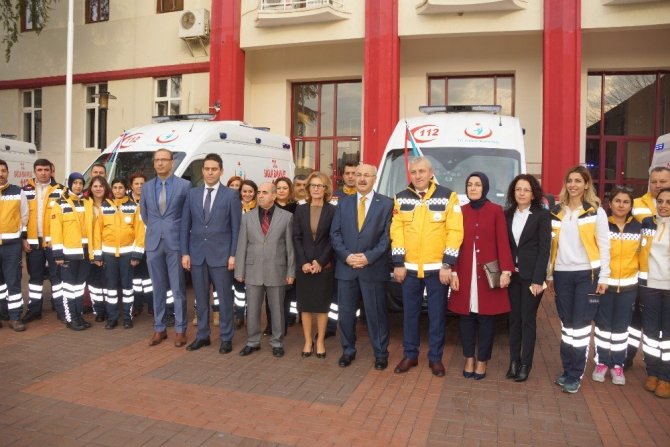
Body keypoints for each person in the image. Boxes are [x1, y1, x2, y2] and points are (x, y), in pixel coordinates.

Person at [390, 156, 463, 376]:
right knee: (410, 314)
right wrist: (398, 263)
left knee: (437, 315)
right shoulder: (400, 198)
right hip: (409, 269)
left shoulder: (448, 196)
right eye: (414, 172)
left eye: (422, 171)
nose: (418, 176)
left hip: (437, 269)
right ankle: (410, 355)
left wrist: (448, 264)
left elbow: (455, 232)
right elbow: (396, 232)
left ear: (431, 173)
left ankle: (435, 358)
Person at [547, 165, 610, 394]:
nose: (573, 185)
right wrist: (549, 274)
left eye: (578, 181)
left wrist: (604, 276)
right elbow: (550, 246)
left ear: (586, 185)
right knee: (567, 324)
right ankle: (567, 370)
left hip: (587, 275)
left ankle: (575, 374)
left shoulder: (596, 212)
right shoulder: (556, 212)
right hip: (562, 274)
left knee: (581, 326)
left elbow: (604, 245)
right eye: (570, 180)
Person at [449, 172, 514, 380]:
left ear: (485, 187)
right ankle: (469, 357)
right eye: (470, 184)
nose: (473, 188)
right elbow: (454, 244)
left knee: (486, 319)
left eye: (477, 184)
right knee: (466, 318)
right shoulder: (460, 211)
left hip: (487, 275)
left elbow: (502, 242)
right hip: (465, 273)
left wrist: (506, 271)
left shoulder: (496, 210)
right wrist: (453, 270)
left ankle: (483, 360)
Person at [331, 163, 393, 370]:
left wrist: (368, 257)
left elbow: (387, 237)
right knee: (346, 315)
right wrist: (347, 256)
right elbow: (335, 233)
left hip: (373, 269)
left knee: (376, 314)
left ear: (375, 178)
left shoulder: (386, 204)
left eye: (367, 175)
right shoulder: (343, 203)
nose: (362, 179)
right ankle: (347, 351)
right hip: (346, 268)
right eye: (359, 175)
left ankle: (381, 353)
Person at [181, 153, 241, 354]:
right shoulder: (192, 194)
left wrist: (233, 255)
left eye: (214, 169)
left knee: (224, 299)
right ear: (202, 170)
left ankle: (226, 338)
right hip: (197, 255)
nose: (210, 172)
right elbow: (185, 226)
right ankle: (203, 336)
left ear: (221, 171)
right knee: (200, 299)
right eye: (207, 169)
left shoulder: (231, 195)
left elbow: (236, 228)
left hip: (222, 256)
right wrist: (185, 253)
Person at [234, 182, 295, 358]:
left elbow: (290, 248)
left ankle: (277, 342)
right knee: (252, 309)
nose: (260, 195)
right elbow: (242, 245)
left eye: (265, 192)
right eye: (259, 192)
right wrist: (239, 270)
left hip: (277, 270)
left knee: (277, 309)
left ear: (274, 196)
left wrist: (291, 272)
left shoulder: (287, 217)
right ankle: (252, 341)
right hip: (253, 270)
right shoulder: (247, 217)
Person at [141, 148, 191, 347]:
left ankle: (180, 330)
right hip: (154, 243)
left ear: (172, 162)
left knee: (178, 288)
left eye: (164, 160)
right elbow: (145, 215)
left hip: (175, 243)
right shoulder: (146, 187)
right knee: (158, 288)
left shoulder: (184, 186)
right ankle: (159, 328)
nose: (160, 163)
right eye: (157, 160)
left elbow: (187, 217)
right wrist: (157, 229)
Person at [503, 174, 551, 382]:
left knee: (527, 320)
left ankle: (525, 364)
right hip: (512, 275)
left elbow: (544, 249)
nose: (521, 193)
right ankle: (514, 361)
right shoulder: (507, 214)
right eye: (518, 189)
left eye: (526, 190)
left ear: (533, 194)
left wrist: (538, 280)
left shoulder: (542, 215)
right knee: (514, 320)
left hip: (532, 278)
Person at [591, 185, 641, 386]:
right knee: (603, 326)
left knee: (621, 327)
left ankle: (618, 364)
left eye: (626, 202)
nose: (621, 205)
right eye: (617, 201)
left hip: (629, 287)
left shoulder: (639, 227)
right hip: (605, 286)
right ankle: (602, 362)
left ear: (631, 205)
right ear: (610, 204)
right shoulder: (601, 225)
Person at [626, 166, 670, 368]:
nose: (658, 185)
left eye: (663, 181)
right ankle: (628, 358)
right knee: (635, 322)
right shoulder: (635, 204)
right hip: (640, 276)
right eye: (654, 181)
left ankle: (662, 367)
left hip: (663, 279)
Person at [293, 171, 336, 358]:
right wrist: (303, 262)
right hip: (304, 266)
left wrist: (320, 261)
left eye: (320, 186)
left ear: (326, 189)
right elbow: (296, 237)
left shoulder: (333, 211)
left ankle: (320, 342)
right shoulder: (301, 210)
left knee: (321, 306)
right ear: (308, 188)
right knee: (305, 305)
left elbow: (333, 239)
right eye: (313, 185)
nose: (316, 189)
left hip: (323, 266)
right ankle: (308, 341)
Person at [93, 178, 144, 329]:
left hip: (128, 254)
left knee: (127, 287)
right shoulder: (104, 207)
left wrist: (137, 254)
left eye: (120, 187)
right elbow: (97, 232)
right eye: (115, 187)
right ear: (112, 189)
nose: (117, 190)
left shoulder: (134, 207)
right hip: (108, 254)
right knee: (111, 287)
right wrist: (97, 254)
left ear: (125, 189)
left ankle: (128, 318)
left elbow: (140, 232)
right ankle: (112, 318)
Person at [21, 159, 65, 324]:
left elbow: (64, 217)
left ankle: (61, 309)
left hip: (53, 242)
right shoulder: (25, 191)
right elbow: (21, 216)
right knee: (35, 278)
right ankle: (34, 310)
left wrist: (59, 240)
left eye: (46, 170)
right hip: (33, 243)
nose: (43, 173)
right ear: (34, 171)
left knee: (57, 277)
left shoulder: (61, 190)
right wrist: (23, 239)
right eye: (40, 170)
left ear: (51, 171)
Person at [638, 187, 670, 398]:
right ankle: (652, 372)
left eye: (668, 201)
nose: (663, 205)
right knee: (650, 333)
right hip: (649, 286)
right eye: (660, 201)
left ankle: (666, 377)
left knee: (668, 335)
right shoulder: (647, 223)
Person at [51, 172, 93, 331]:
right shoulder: (59, 204)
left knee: (79, 287)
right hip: (68, 254)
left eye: (81, 183)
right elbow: (56, 231)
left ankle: (78, 316)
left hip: (85, 252)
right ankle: (71, 319)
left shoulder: (87, 203)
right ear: (70, 184)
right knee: (69, 288)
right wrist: (58, 254)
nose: (78, 186)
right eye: (75, 183)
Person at [0, 159, 28, 331]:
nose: (0, 174)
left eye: (3, 170)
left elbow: (24, 216)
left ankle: (15, 317)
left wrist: (21, 237)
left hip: (11, 246)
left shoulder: (18, 192)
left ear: (8, 173)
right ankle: (1, 313)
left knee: (13, 282)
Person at [271, 176, 297, 333]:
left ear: (290, 190)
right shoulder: (269, 207)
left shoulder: (296, 208)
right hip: (273, 254)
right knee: (271, 291)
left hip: (290, 253)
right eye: (278, 188)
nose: (281, 191)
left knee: (288, 291)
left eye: (284, 188)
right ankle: (271, 324)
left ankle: (287, 321)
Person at [232, 179, 258, 329]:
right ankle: (239, 314)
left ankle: (251, 315)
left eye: (250, 191)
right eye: (244, 191)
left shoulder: (259, 208)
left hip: (253, 252)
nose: (247, 194)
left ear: (254, 193)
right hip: (237, 250)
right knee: (239, 285)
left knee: (252, 286)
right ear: (240, 192)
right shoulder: (235, 207)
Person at [128, 172, 153, 317]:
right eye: (136, 183)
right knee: (135, 278)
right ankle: (137, 305)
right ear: (131, 186)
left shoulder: (151, 199)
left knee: (149, 277)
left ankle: (151, 304)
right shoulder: (126, 202)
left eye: (142, 184)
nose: (139, 186)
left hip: (149, 243)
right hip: (133, 245)